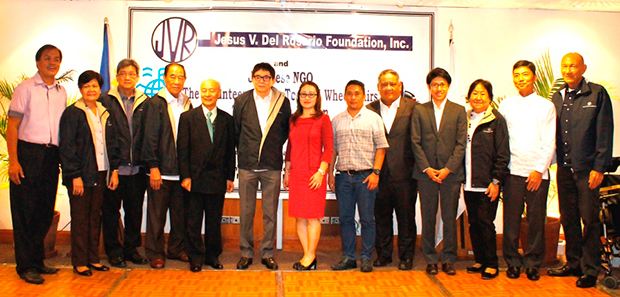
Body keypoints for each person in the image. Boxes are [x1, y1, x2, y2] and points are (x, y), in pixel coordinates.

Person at [547, 53, 613, 288]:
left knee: (590, 220)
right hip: (564, 169)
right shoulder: (557, 97)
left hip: (588, 171)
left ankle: (591, 268)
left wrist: (599, 167)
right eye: (565, 66)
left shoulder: (596, 94)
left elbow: (605, 133)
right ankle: (573, 263)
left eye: (573, 65)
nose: (568, 69)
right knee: (570, 218)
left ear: (583, 67)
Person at [7, 44, 67, 284]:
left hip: (52, 156)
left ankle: (37, 261)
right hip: (28, 153)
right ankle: (24, 266)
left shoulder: (61, 92)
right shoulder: (25, 88)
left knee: (43, 211)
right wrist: (14, 161)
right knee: (25, 212)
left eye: (56, 59)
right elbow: (12, 126)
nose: (52, 63)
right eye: (47, 58)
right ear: (38, 62)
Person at [499, 60, 555, 281]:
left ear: (534, 77)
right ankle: (512, 262)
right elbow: (502, 140)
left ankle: (532, 262)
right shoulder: (506, 105)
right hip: (512, 172)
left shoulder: (545, 106)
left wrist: (538, 170)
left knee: (535, 220)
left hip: (537, 174)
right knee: (511, 220)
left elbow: (549, 142)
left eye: (525, 74)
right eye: (517, 75)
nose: (520, 78)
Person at [59, 70, 119, 276]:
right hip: (80, 175)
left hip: (102, 172)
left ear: (100, 88)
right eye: (86, 86)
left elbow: (112, 144)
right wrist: (74, 175)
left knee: (95, 217)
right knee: (80, 218)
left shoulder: (105, 111)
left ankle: (93, 258)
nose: (91, 90)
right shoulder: (72, 113)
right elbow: (67, 147)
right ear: (80, 89)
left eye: (94, 86)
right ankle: (79, 261)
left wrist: (114, 171)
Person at [233, 62, 291, 270]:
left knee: (270, 212)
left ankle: (267, 253)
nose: (262, 81)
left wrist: (270, 149)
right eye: (258, 77)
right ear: (252, 78)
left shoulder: (282, 102)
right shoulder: (241, 101)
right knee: (246, 212)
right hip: (247, 165)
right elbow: (237, 132)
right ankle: (246, 253)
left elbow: (284, 132)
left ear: (273, 80)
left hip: (271, 165)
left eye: (266, 77)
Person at [328, 80, 389, 273]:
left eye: (357, 93)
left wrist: (376, 173)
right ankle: (348, 257)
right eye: (349, 93)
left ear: (364, 96)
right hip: (343, 177)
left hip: (366, 177)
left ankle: (365, 258)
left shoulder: (374, 118)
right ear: (344, 96)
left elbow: (381, 148)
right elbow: (333, 150)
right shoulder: (337, 120)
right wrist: (330, 173)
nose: (353, 97)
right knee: (345, 219)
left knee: (367, 220)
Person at [411, 67, 467, 276]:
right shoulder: (420, 110)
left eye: (442, 84)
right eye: (434, 85)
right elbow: (415, 142)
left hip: (450, 176)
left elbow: (461, 145)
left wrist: (446, 169)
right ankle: (430, 258)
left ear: (448, 86)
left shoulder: (458, 110)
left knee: (450, 217)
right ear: (429, 87)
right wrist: (427, 168)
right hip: (426, 175)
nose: (438, 88)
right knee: (428, 218)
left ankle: (449, 258)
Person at [178, 79, 235, 272]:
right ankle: (195, 257)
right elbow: (182, 150)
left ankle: (212, 256)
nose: (208, 94)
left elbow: (229, 152)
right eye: (204, 90)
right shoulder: (187, 118)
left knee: (213, 221)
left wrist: (230, 177)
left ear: (219, 93)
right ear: (199, 93)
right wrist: (185, 176)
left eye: (212, 90)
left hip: (217, 179)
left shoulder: (227, 120)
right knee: (193, 220)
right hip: (194, 179)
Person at [366, 69, 418, 270]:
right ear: (378, 87)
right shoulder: (369, 110)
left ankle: (406, 256)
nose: (388, 87)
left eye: (392, 84)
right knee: (381, 216)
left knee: (406, 218)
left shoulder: (414, 108)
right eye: (384, 84)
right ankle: (384, 254)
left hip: (406, 175)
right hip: (377, 174)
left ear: (400, 85)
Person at [99, 59, 149, 268]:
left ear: (137, 77)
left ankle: (131, 249)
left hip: (137, 168)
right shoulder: (105, 101)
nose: (127, 77)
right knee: (111, 212)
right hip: (114, 169)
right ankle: (114, 251)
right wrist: (114, 167)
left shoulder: (146, 102)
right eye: (123, 73)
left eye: (131, 74)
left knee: (134, 211)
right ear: (116, 76)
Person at [142, 63, 192, 269]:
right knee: (156, 216)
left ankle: (176, 249)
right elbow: (149, 137)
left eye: (181, 77)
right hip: (160, 172)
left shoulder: (187, 103)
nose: (177, 81)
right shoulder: (155, 103)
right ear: (164, 78)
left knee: (180, 215)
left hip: (181, 172)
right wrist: (153, 167)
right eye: (173, 76)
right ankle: (155, 253)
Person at [283, 81, 333, 270]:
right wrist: (287, 171)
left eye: (311, 94)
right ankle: (307, 254)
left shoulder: (323, 119)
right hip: (296, 174)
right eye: (303, 94)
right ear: (298, 97)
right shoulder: (294, 119)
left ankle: (311, 256)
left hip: (314, 175)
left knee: (312, 217)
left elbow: (328, 148)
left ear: (317, 97)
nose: (307, 97)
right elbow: (290, 147)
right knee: (299, 217)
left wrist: (321, 172)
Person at [463, 79, 510, 280]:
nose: (478, 97)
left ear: (489, 97)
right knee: (473, 223)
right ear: (469, 96)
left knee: (486, 222)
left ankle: (492, 263)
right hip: (468, 182)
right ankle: (480, 259)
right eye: (474, 93)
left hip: (488, 183)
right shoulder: (464, 119)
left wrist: (496, 181)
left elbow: (502, 153)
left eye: (482, 93)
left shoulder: (496, 120)